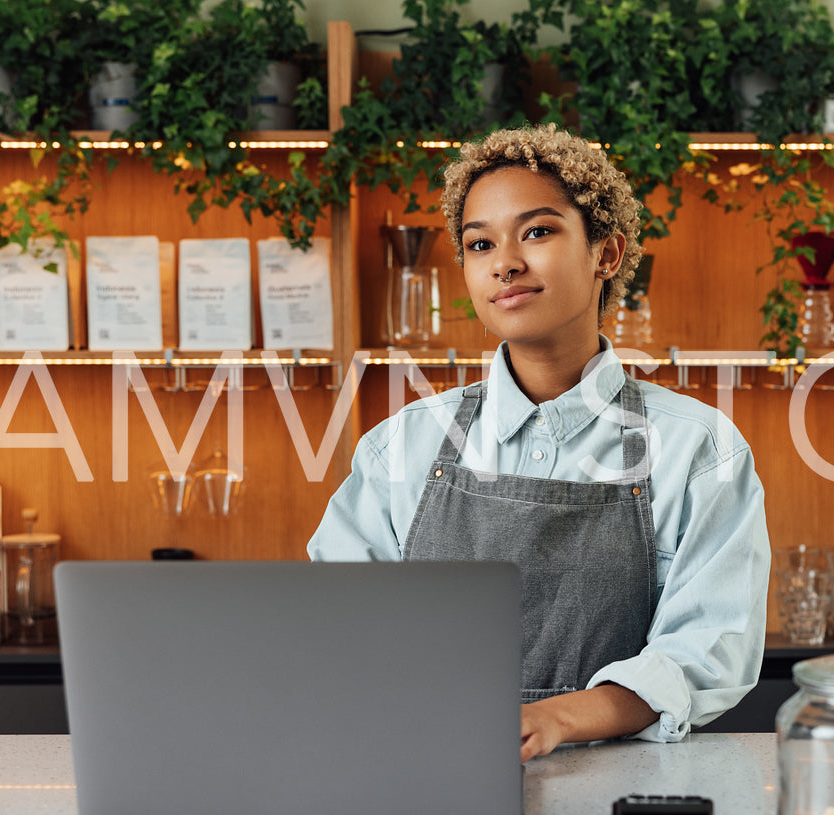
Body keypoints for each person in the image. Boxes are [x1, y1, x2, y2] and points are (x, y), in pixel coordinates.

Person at [307, 125, 770, 763]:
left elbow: (708, 648)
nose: (505, 263)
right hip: (429, 770)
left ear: (607, 254)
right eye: (479, 243)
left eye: (538, 231)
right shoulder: (401, 448)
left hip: (625, 785)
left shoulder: (699, 450)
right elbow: (338, 629)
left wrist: (555, 719)